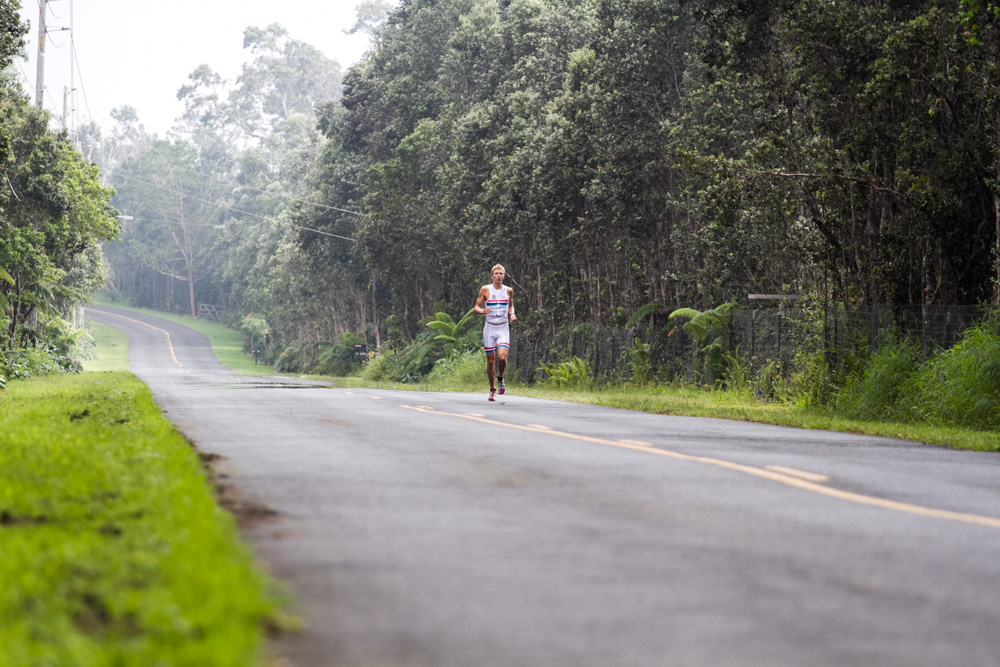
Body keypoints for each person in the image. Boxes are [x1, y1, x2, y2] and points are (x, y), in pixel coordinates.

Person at [474, 264, 516, 401]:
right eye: (496, 273)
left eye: (501, 274)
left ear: (503, 276)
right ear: (492, 276)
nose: (498, 276)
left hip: (503, 328)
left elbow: (510, 305)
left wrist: (512, 314)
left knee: (502, 357)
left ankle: (500, 378)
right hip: (490, 329)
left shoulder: (508, 290)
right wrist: (482, 311)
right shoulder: (485, 289)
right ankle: (492, 389)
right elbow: (476, 306)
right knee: (491, 361)